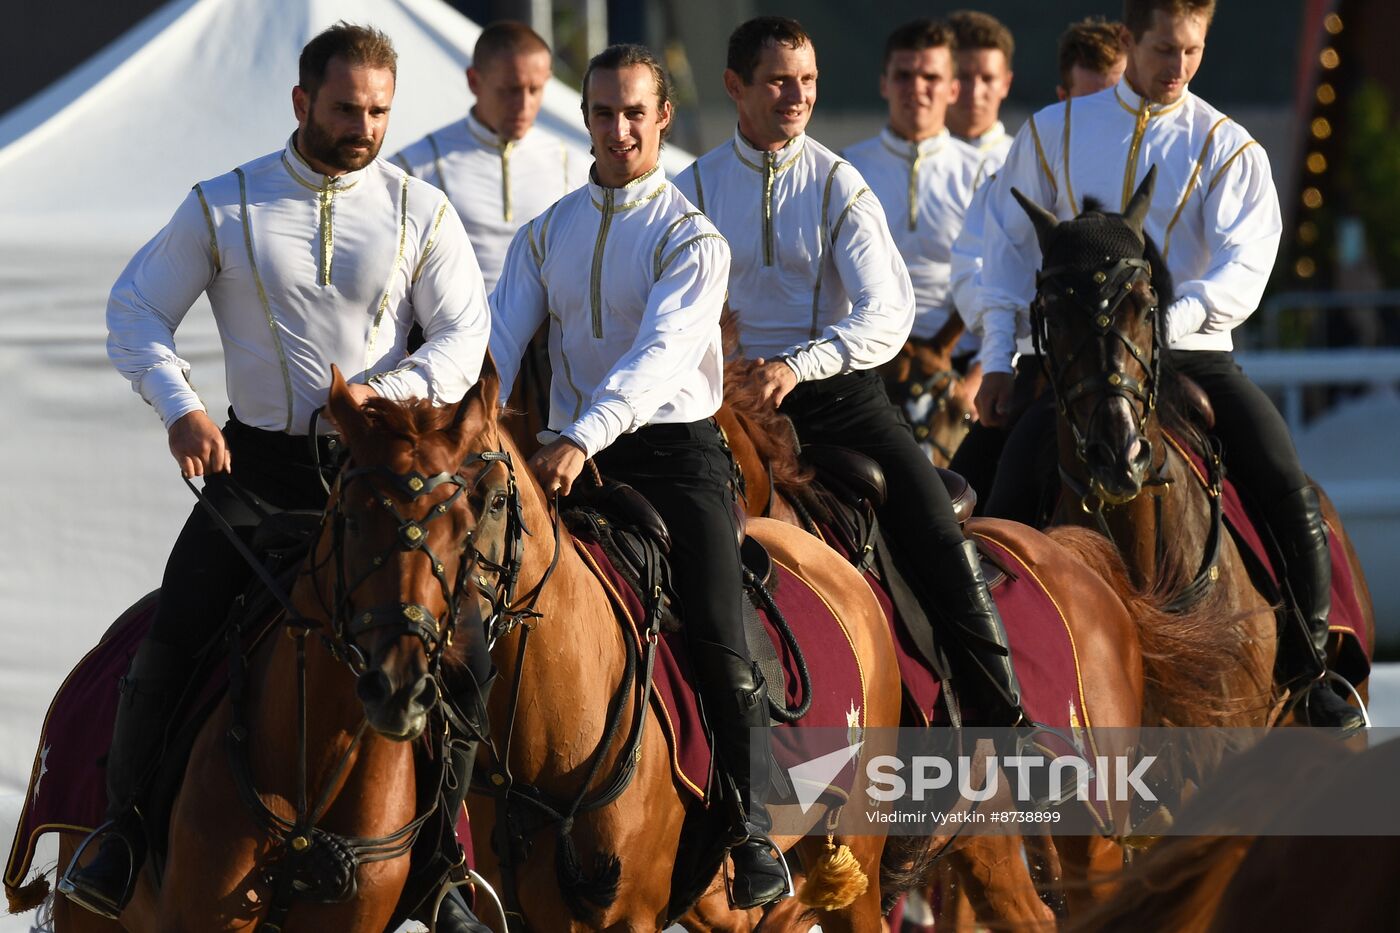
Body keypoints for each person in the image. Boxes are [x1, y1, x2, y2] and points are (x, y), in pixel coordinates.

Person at [59, 24, 494, 929]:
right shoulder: (227, 202)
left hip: (381, 481)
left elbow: (464, 337)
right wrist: (179, 403)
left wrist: (381, 393)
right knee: (169, 634)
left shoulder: (422, 208)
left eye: (379, 110)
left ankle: (443, 867)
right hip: (256, 473)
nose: (364, 126)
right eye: (346, 108)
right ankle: (125, 834)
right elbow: (136, 308)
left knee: (455, 655)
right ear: (302, 103)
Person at [971, 0, 1362, 731]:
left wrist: (1165, 328)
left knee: (1285, 484)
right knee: (982, 495)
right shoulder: (1050, 134)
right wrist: (998, 359)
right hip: (1070, 369)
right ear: (1127, 41)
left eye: (1192, 52)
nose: (1178, 67)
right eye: (1163, 50)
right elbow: (1004, 258)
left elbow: (1248, 266)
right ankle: (981, 687)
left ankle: (1311, 673)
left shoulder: (1227, 144)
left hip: (1193, 354)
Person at [488, 44, 788, 909]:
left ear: (662, 117)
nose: (618, 129)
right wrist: (459, 417)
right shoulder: (545, 232)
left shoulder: (691, 234)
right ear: (582, 119)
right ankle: (444, 837)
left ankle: (752, 826)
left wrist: (582, 433)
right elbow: (498, 349)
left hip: (671, 458)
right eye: (603, 113)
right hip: (559, 459)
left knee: (722, 640)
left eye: (635, 113)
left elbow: (659, 357)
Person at [676, 16, 1033, 731]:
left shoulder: (839, 183)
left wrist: (797, 366)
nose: (796, 96)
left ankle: (1007, 715)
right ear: (734, 87)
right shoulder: (689, 187)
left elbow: (887, 311)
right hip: (717, 400)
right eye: (778, 80)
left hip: (833, 396)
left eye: (806, 80)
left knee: (934, 524)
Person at [949, 17, 1126, 514]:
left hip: (1135, 366)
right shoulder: (1022, 166)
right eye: (1084, 103)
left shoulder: (1150, 164)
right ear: (1061, 97)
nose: (1099, 119)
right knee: (959, 503)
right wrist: (1003, 345)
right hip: (1041, 364)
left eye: (1111, 101)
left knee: (1271, 479)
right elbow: (973, 268)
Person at [844, 18, 986, 433]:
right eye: (903, 75)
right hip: (869, 365)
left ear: (952, 89)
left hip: (961, 374)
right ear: (884, 83)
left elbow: (1007, 285)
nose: (916, 87)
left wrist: (977, 381)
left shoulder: (986, 173)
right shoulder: (844, 169)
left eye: (931, 76)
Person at [393, 21, 588, 294]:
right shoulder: (412, 166)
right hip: (451, 332)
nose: (523, 105)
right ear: (474, 81)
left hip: (547, 335)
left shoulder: (576, 167)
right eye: (509, 90)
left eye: (535, 90)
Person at [946, 11, 1016, 169]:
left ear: (1006, 83)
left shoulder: (1027, 165)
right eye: (963, 77)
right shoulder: (905, 162)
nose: (975, 92)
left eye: (988, 79)